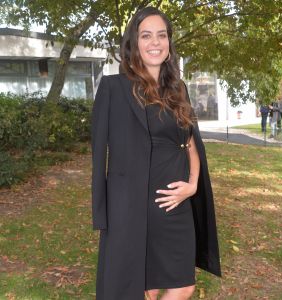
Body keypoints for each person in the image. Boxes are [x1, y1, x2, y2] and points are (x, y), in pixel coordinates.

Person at [91, 7, 221, 300]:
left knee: (184, 285)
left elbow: (190, 143)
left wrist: (193, 184)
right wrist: (102, 212)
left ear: (169, 42)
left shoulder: (179, 89)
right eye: (146, 35)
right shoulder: (114, 88)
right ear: (134, 43)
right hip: (133, 208)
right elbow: (99, 154)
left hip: (175, 207)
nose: (155, 42)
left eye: (161, 35)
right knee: (143, 288)